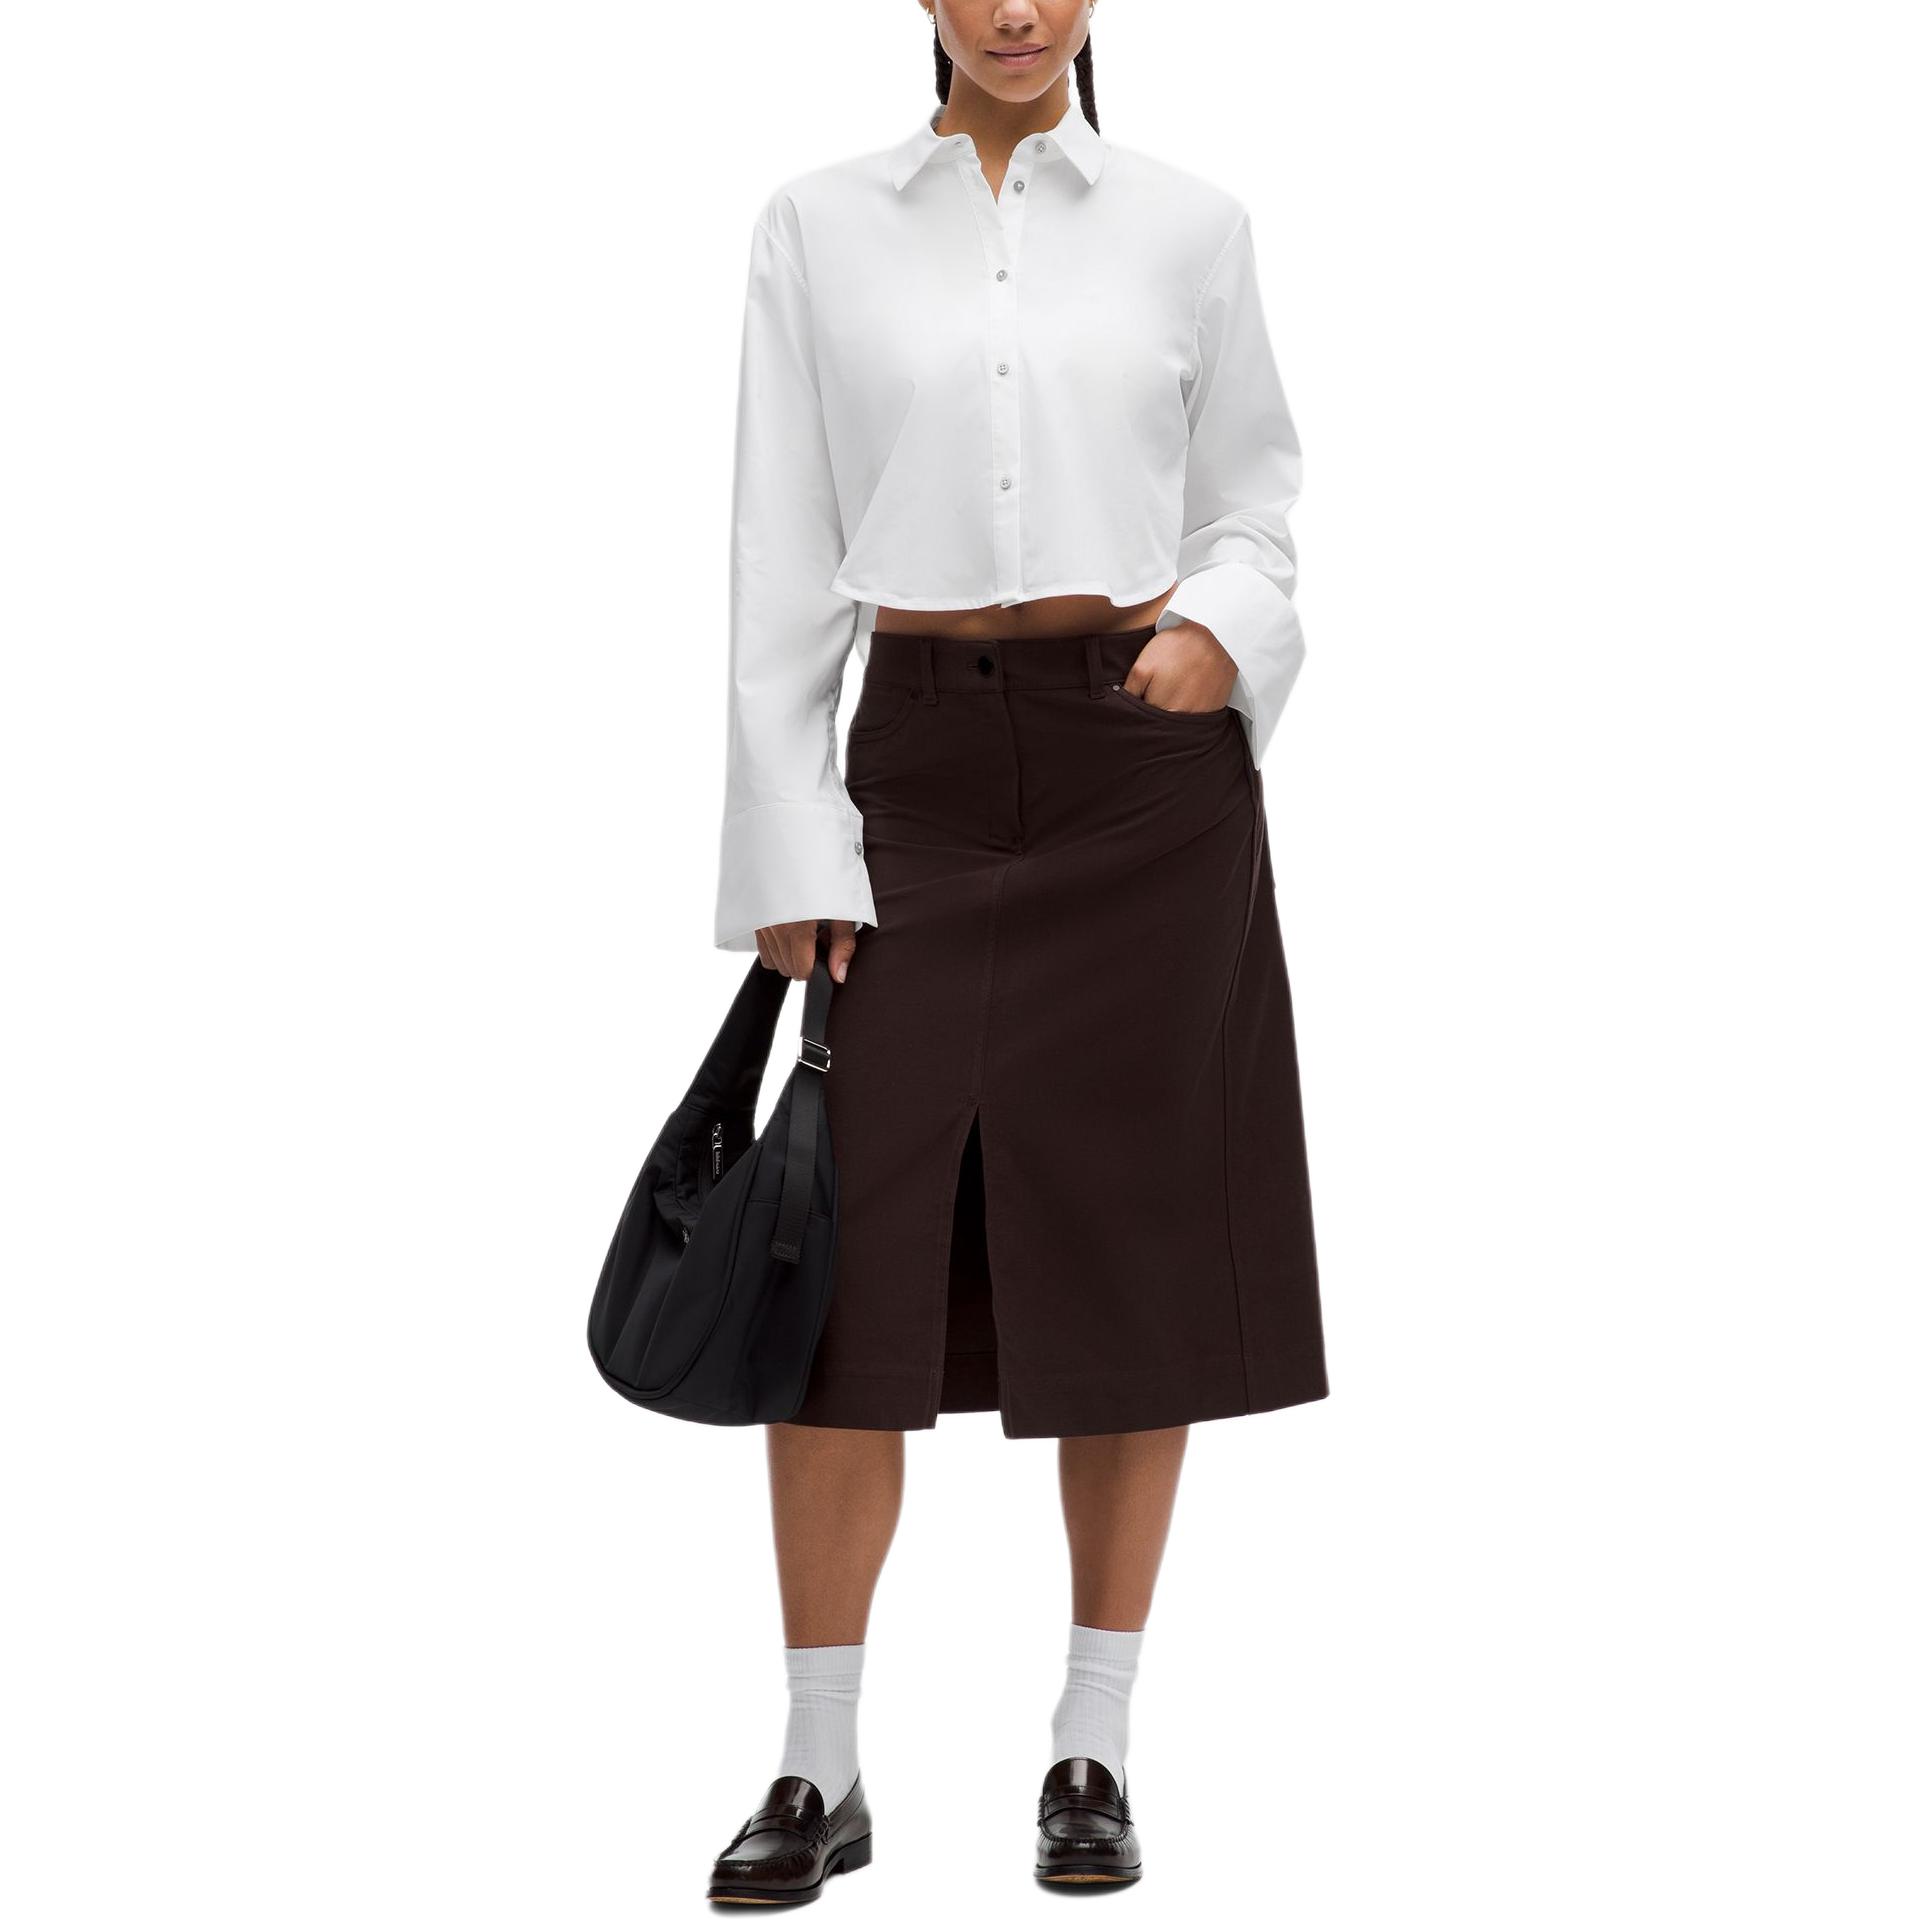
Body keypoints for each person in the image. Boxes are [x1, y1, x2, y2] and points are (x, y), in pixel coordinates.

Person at [704, 2, 1328, 1900]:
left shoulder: (1190, 224)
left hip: (1142, 779)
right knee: (837, 1273)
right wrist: (790, 834)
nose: (1012, 9)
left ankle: (1092, 1744)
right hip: (912, 769)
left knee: (1128, 1253)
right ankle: (817, 1765)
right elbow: (779, 555)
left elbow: (1256, 508)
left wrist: (1220, 632)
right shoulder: (817, 225)